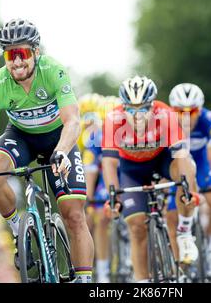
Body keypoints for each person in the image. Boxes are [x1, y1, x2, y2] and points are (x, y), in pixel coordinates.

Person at [0, 19, 93, 282]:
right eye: (9, 55)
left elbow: (73, 121)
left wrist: (62, 150)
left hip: (59, 139)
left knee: (73, 215)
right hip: (21, 136)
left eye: (22, 53)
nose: (16, 61)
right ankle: (18, 230)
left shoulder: (54, 71)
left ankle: (85, 280)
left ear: (35, 52)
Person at [101, 75, 199, 282]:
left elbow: (180, 155)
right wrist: (113, 196)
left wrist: (185, 187)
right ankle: (143, 283)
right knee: (137, 227)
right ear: (122, 107)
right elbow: (109, 163)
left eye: (143, 109)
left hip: (161, 161)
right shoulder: (112, 120)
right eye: (131, 109)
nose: (137, 116)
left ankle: (184, 231)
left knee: (187, 168)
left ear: (153, 107)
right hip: (132, 171)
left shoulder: (166, 114)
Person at [166, 83, 211, 277]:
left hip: (202, 164)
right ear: (172, 110)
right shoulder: (166, 121)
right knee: (171, 215)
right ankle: (180, 270)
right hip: (176, 165)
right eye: (180, 111)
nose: (186, 117)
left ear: (199, 110)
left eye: (192, 112)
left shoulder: (210, 120)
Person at [83, 95, 121, 283]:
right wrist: (89, 199)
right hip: (106, 180)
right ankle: (104, 271)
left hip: (128, 176)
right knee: (100, 216)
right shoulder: (95, 137)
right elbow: (90, 170)